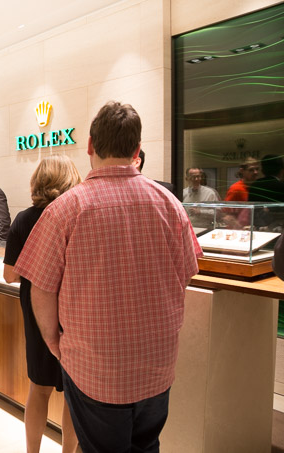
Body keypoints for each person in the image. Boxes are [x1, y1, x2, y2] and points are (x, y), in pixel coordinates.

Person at [14, 101, 202, 453]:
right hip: (157, 363)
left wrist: (54, 342)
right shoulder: (170, 204)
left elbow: (41, 289)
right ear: (136, 149)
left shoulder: (64, 210)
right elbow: (187, 274)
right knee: (147, 445)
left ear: (90, 145)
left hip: (93, 367)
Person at [3, 155, 81, 453]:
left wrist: (36, 268)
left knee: (39, 387)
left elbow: (10, 275)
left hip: (36, 309)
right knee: (74, 391)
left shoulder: (24, 219)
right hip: (73, 306)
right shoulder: (76, 215)